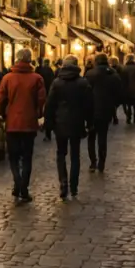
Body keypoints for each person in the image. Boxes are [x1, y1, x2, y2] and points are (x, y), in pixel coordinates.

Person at [0, 47, 46, 202]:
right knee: (27, 157)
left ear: (16, 59)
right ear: (30, 60)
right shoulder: (37, 78)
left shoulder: (8, 78)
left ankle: (18, 183)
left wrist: (4, 114)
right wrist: (37, 114)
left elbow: (0, 101)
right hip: (29, 124)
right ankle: (23, 187)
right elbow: (41, 100)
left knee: (13, 157)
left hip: (12, 123)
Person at [44, 55, 93, 200]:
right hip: (77, 122)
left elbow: (50, 104)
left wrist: (49, 123)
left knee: (61, 154)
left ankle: (63, 182)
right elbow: (89, 105)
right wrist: (89, 123)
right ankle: (74, 185)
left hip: (60, 123)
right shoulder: (82, 83)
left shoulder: (57, 83)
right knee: (75, 155)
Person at [84, 53, 123, 172]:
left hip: (91, 110)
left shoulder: (90, 74)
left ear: (96, 61)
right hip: (106, 110)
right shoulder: (114, 75)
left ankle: (93, 162)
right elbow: (119, 94)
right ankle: (101, 162)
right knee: (103, 137)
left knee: (91, 137)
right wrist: (113, 106)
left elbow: (85, 93)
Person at [36, 58, 56, 141]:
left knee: (42, 111)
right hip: (49, 94)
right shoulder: (51, 71)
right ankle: (48, 132)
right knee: (48, 113)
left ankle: (42, 126)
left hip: (42, 93)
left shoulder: (39, 70)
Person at [122, 54, 135, 125]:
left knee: (128, 105)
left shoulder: (124, 68)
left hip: (127, 89)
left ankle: (128, 118)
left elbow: (123, 80)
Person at [108, 56, 126, 124]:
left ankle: (114, 116)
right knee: (117, 103)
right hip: (119, 87)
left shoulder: (109, 69)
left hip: (111, 88)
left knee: (112, 103)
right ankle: (125, 115)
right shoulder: (121, 68)